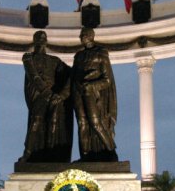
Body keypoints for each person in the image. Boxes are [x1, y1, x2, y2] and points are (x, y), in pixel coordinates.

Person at [19, 30, 73, 163]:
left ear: (46, 41)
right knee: (36, 121)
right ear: (34, 41)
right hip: (39, 96)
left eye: (43, 38)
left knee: (54, 122)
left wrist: (63, 94)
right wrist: (48, 94)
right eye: (38, 38)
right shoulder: (28, 57)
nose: (41, 41)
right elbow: (33, 76)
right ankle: (28, 153)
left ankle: (52, 154)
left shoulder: (55, 60)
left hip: (54, 97)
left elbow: (70, 73)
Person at [71, 27, 118, 162]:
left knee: (95, 122)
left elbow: (107, 79)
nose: (81, 37)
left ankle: (111, 150)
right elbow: (73, 76)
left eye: (84, 35)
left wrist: (91, 85)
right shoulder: (78, 56)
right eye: (80, 35)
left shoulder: (101, 53)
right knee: (82, 124)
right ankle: (85, 156)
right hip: (78, 93)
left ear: (91, 36)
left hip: (92, 93)